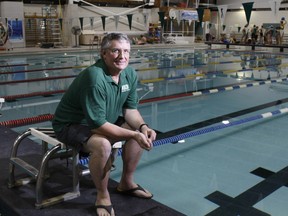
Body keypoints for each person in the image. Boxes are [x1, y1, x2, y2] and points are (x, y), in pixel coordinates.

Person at [52, 32, 157, 216]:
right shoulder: (95, 77)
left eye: (126, 51)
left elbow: (130, 110)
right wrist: (133, 135)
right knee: (103, 144)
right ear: (104, 53)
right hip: (71, 124)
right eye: (115, 51)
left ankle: (126, 182)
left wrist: (143, 128)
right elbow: (98, 124)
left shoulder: (129, 74)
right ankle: (102, 195)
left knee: (137, 131)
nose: (122, 56)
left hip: (101, 121)